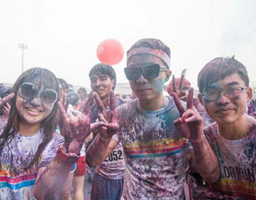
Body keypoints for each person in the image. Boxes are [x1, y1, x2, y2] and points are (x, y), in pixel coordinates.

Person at [86, 38, 218, 199]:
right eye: (133, 72)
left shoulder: (184, 114)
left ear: (167, 75)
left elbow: (211, 176)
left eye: (150, 71)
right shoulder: (121, 114)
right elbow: (93, 161)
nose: (141, 79)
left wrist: (198, 140)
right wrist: (103, 139)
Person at [0, 67, 99, 200]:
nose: (36, 102)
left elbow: (42, 193)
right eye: (28, 91)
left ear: (55, 103)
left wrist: (68, 151)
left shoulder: (55, 142)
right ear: (15, 92)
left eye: (47, 96)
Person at [192, 56, 256, 199]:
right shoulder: (204, 138)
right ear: (202, 101)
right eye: (212, 93)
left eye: (233, 90)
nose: (223, 100)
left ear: (249, 94)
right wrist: (197, 140)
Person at [86, 63, 125, 200]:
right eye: (93, 80)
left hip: (128, 177)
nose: (97, 83)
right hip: (102, 175)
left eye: (102, 79)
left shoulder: (125, 107)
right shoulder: (90, 111)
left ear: (113, 82)